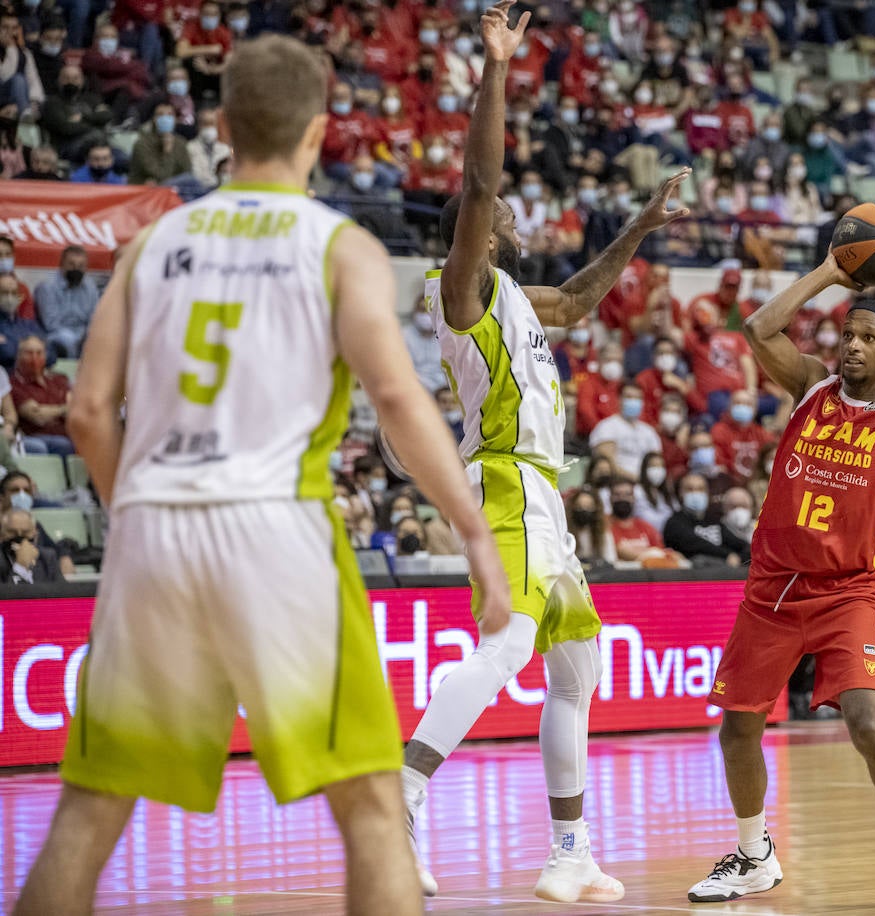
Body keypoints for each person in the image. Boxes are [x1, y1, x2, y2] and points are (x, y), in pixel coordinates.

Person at [13, 33, 514, 916]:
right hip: (278, 534)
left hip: (154, 528)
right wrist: (476, 538)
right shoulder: (339, 245)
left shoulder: (154, 242)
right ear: (319, 134)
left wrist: (129, 512)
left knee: (89, 810)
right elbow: (397, 400)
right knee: (368, 804)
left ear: (220, 127)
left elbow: (88, 413)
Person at [399, 4, 689, 903]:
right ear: (477, 235)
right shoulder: (466, 290)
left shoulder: (523, 299)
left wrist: (637, 233)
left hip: (544, 499)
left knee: (578, 668)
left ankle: (570, 852)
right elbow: (481, 183)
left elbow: (577, 299)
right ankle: (397, 797)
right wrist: (496, 69)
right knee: (508, 648)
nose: (514, 215)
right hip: (504, 483)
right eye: (502, 215)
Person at [689, 213, 875, 911]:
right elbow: (757, 329)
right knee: (738, 725)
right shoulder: (811, 385)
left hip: (847, 593)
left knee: (868, 724)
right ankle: (755, 857)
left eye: (869, 337)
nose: (852, 345)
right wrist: (831, 272)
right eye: (848, 332)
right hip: (774, 590)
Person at [33, 246, 99, 357]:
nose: (76, 269)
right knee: (68, 339)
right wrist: (78, 339)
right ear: (61, 265)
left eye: (80, 266)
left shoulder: (90, 287)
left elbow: (95, 317)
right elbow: (51, 324)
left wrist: (87, 334)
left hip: (82, 333)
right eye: (71, 264)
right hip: (55, 335)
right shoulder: (47, 287)